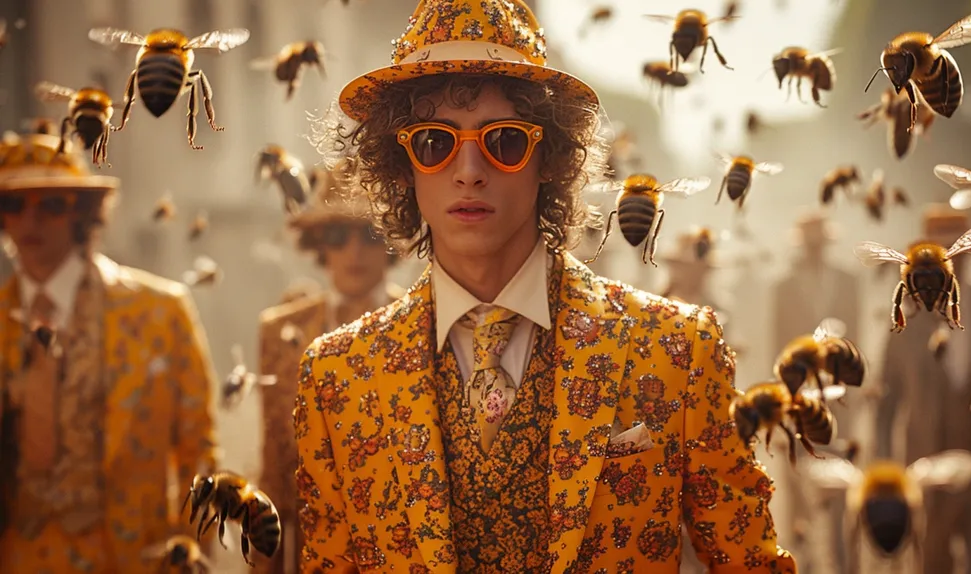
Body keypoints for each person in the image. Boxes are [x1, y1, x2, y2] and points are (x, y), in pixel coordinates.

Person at [294, 1, 796, 572]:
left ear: (550, 158)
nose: (468, 170)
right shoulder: (337, 375)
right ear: (401, 165)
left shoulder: (677, 349)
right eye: (434, 142)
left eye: (504, 140)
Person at [0, 132, 219, 572]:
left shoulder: (160, 310)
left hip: (134, 558)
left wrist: (191, 553)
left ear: (82, 212)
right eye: (14, 204)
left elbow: (200, 451)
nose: (31, 221)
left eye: (51, 204)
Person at [257, 168, 401, 574]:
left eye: (369, 236)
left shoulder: (428, 324)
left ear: (391, 242)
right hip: (312, 553)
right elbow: (275, 465)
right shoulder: (278, 331)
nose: (354, 253)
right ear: (320, 244)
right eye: (339, 236)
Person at [875, 205, 971, 574]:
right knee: (932, 567)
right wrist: (886, 481)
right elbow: (885, 404)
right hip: (926, 473)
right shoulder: (903, 324)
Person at [770, 210, 860, 574]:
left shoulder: (849, 282)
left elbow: (857, 345)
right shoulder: (783, 286)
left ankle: (844, 563)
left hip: (841, 401)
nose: (814, 247)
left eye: (818, 240)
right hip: (798, 402)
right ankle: (803, 563)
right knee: (797, 490)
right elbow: (779, 347)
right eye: (810, 241)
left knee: (842, 486)